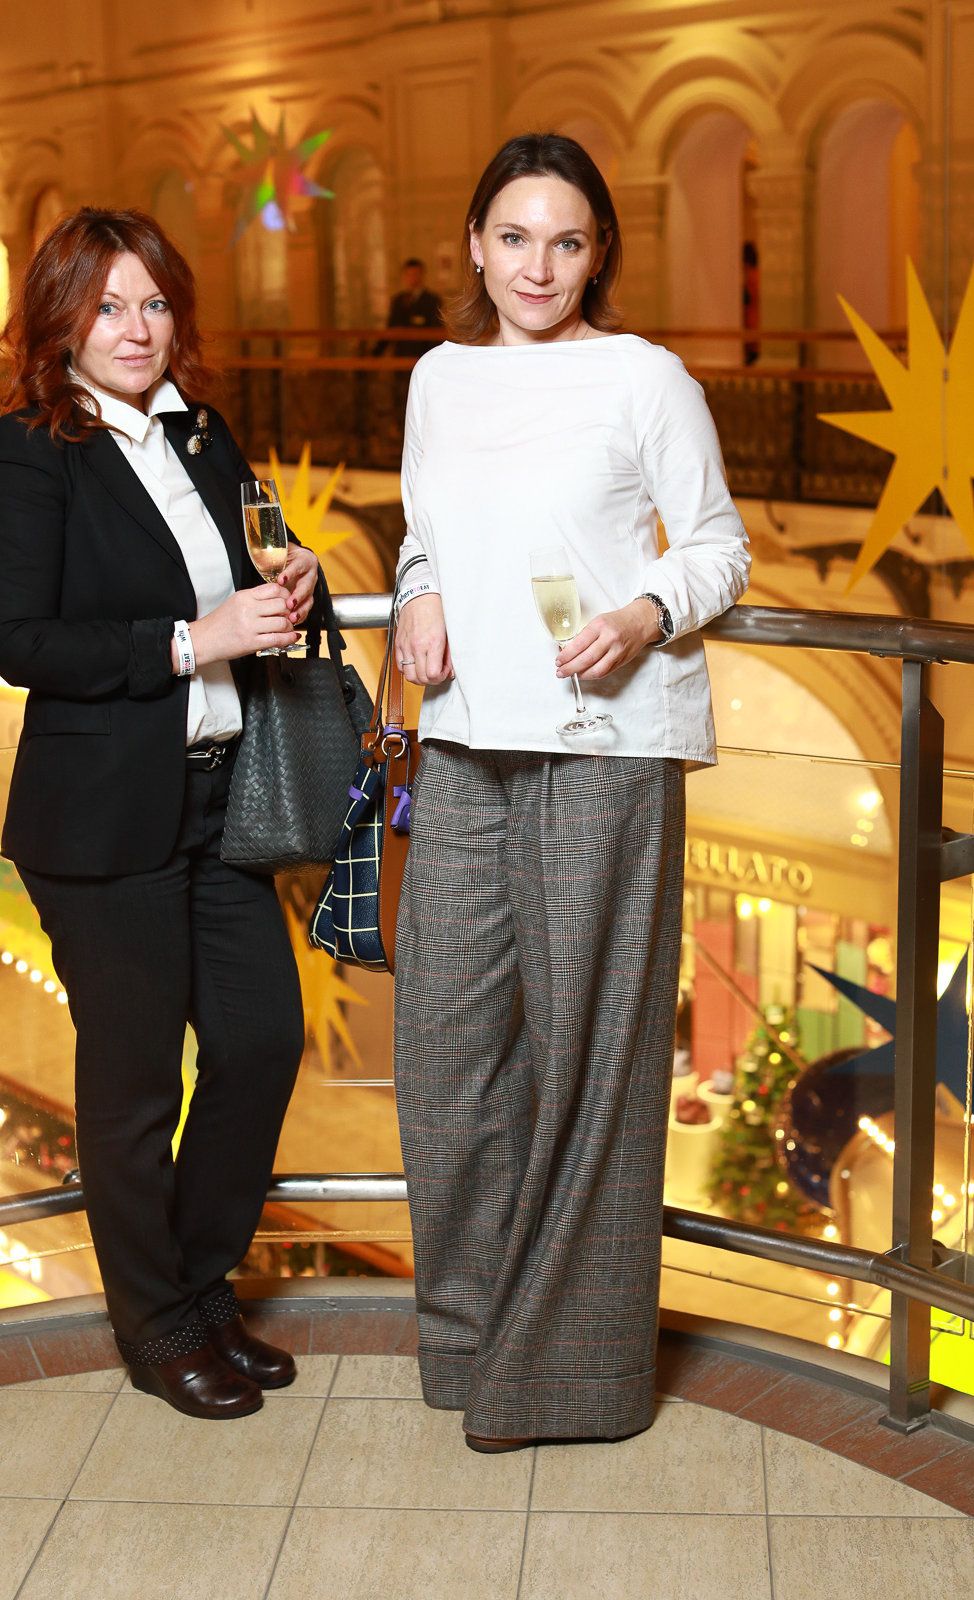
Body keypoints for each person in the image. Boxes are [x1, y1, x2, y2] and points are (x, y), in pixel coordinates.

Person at [392, 134, 749, 1452]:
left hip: (604, 744)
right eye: (512, 237)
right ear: (474, 244)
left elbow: (717, 547)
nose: (536, 267)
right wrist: (416, 589)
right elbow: (424, 528)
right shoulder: (436, 378)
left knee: (591, 1062)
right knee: (444, 1050)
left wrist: (646, 609)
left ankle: (570, 1381)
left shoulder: (641, 375)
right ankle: (468, 1336)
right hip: (461, 738)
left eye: (565, 241)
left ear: (596, 253)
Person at [0, 208, 318, 1421]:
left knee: (261, 1041)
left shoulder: (203, 433)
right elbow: (22, 641)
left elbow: (256, 559)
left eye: (155, 303)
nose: (135, 329)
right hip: (103, 818)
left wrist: (296, 570)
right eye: (107, 306)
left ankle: (200, 1287)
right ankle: (156, 1321)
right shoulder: (28, 450)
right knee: (132, 1089)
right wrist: (188, 641)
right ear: (60, 322)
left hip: (222, 800)